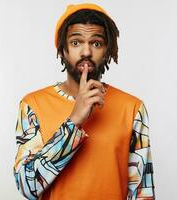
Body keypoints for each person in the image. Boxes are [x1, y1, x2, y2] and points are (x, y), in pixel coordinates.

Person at [13, 3, 155, 200]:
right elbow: (28, 186)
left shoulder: (132, 108)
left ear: (107, 51)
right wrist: (73, 122)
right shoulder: (32, 105)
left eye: (96, 43)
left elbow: (142, 193)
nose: (86, 52)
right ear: (62, 50)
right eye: (76, 43)